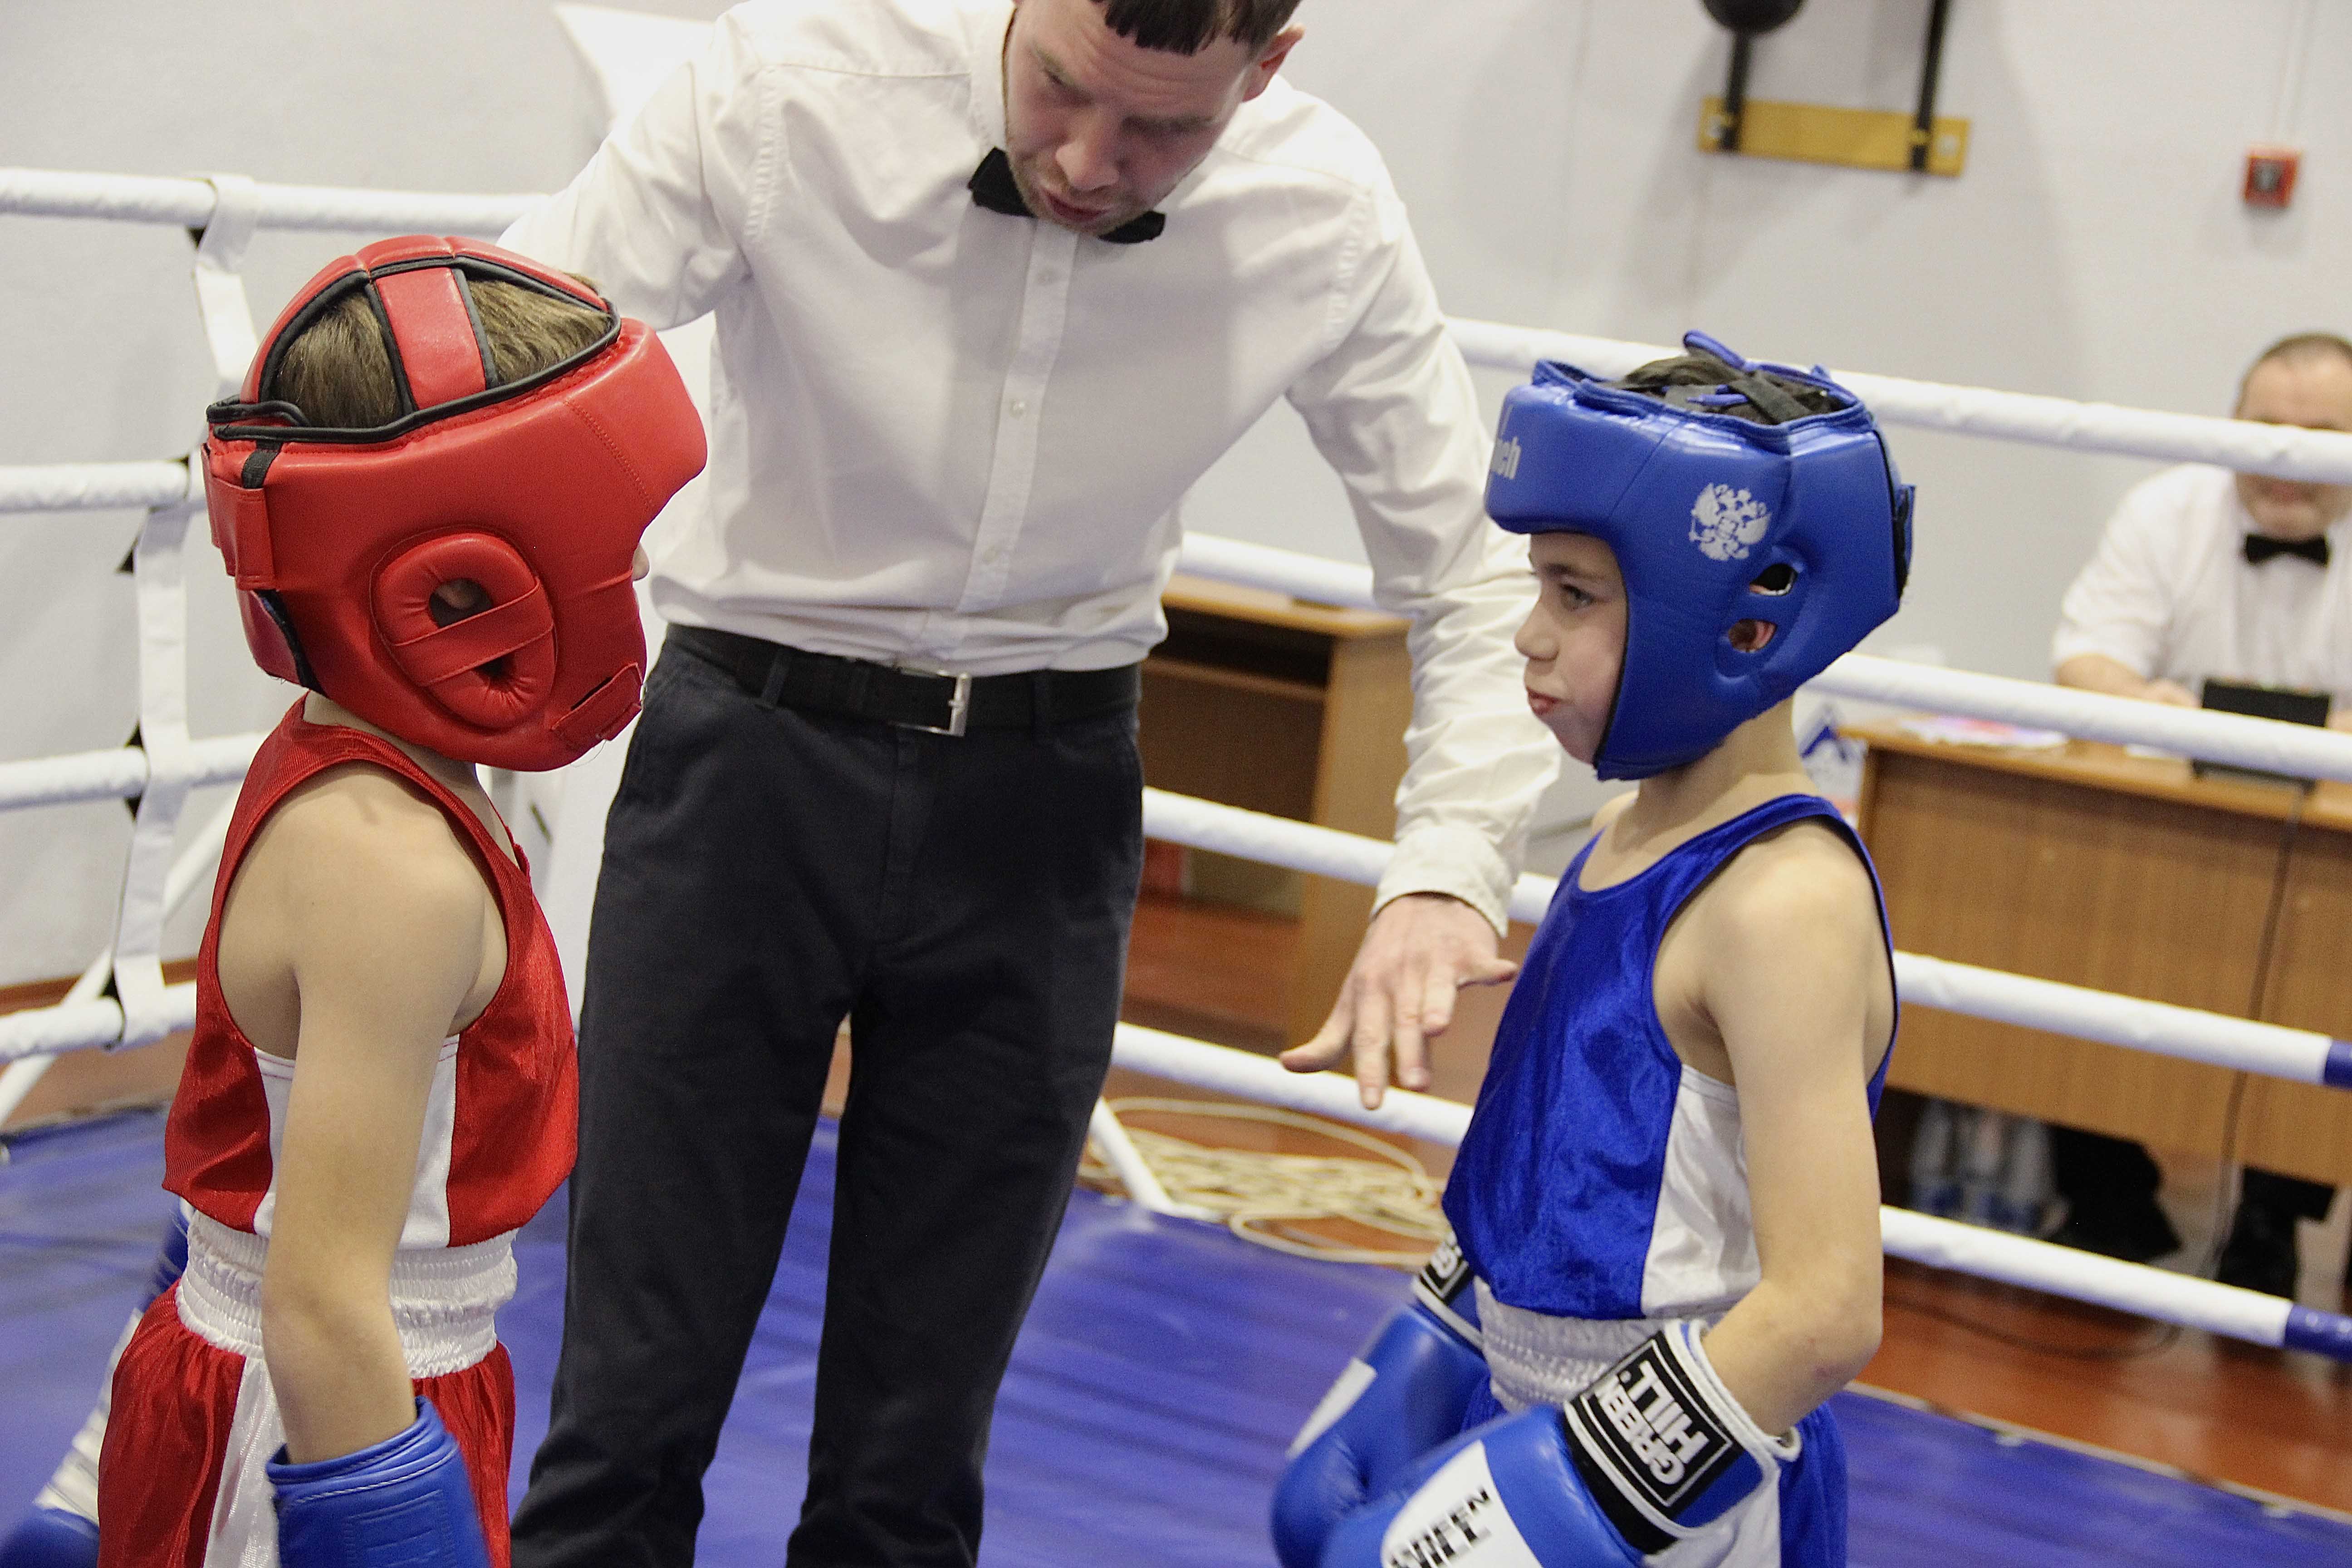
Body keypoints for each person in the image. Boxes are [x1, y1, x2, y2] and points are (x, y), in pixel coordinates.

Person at [491, 0, 1557, 1562]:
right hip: (748, 765)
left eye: (1163, 128)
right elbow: (504, 356)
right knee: (626, 1409)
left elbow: (1474, 571)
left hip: (1041, 805)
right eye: (1060, 86)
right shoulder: (793, 85)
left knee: (914, 1457)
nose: (1085, 161)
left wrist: (1448, 866)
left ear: (1267, 69)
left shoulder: (1318, 205)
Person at [86, 236, 706, 1568]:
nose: (641, 579)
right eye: (613, 543)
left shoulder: (366, 776)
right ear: (457, 581)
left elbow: (252, 1194)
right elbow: (317, 1306)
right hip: (330, 1417)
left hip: (349, 1387)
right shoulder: (392, 865)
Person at [1277, 336, 1909, 1567]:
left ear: (1737, 621)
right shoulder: (1632, 831)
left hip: (1695, 1498)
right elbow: (1578, 1167)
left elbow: (1827, 1310)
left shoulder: (1782, 902)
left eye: (1575, 595)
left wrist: (1581, 1484)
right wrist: (1444, 1333)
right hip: (1537, 1415)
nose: (1529, 635)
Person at [2049, 331, 2352, 1295]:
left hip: (2337, 854)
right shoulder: (2167, 507)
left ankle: (2274, 1220)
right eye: (2268, 430)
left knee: (2331, 972)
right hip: (2175, 830)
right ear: (2231, 426)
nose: (2287, 460)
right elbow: (2086, 658)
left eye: (2321, 437)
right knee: (2065, 918)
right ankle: (2107, 1202)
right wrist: (2160, 707)